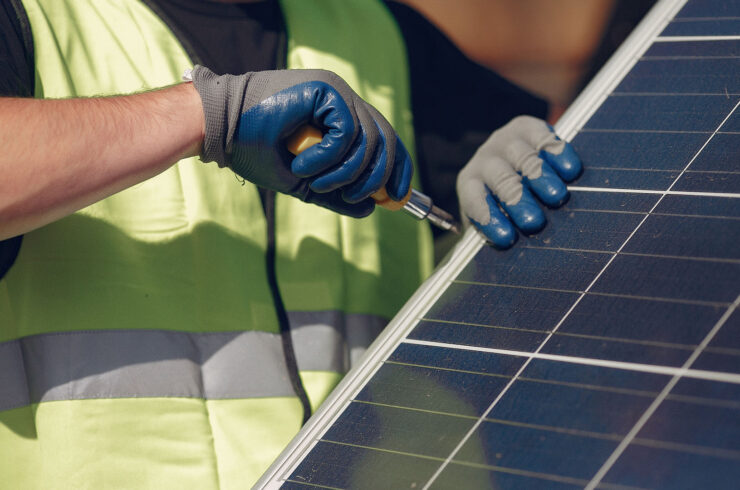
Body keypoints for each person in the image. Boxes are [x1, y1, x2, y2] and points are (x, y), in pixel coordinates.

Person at [0, 0, 581, 487]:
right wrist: (204, 116)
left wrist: (535, 148)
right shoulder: (31, 18)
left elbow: (601, 136)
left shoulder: (375, 30)